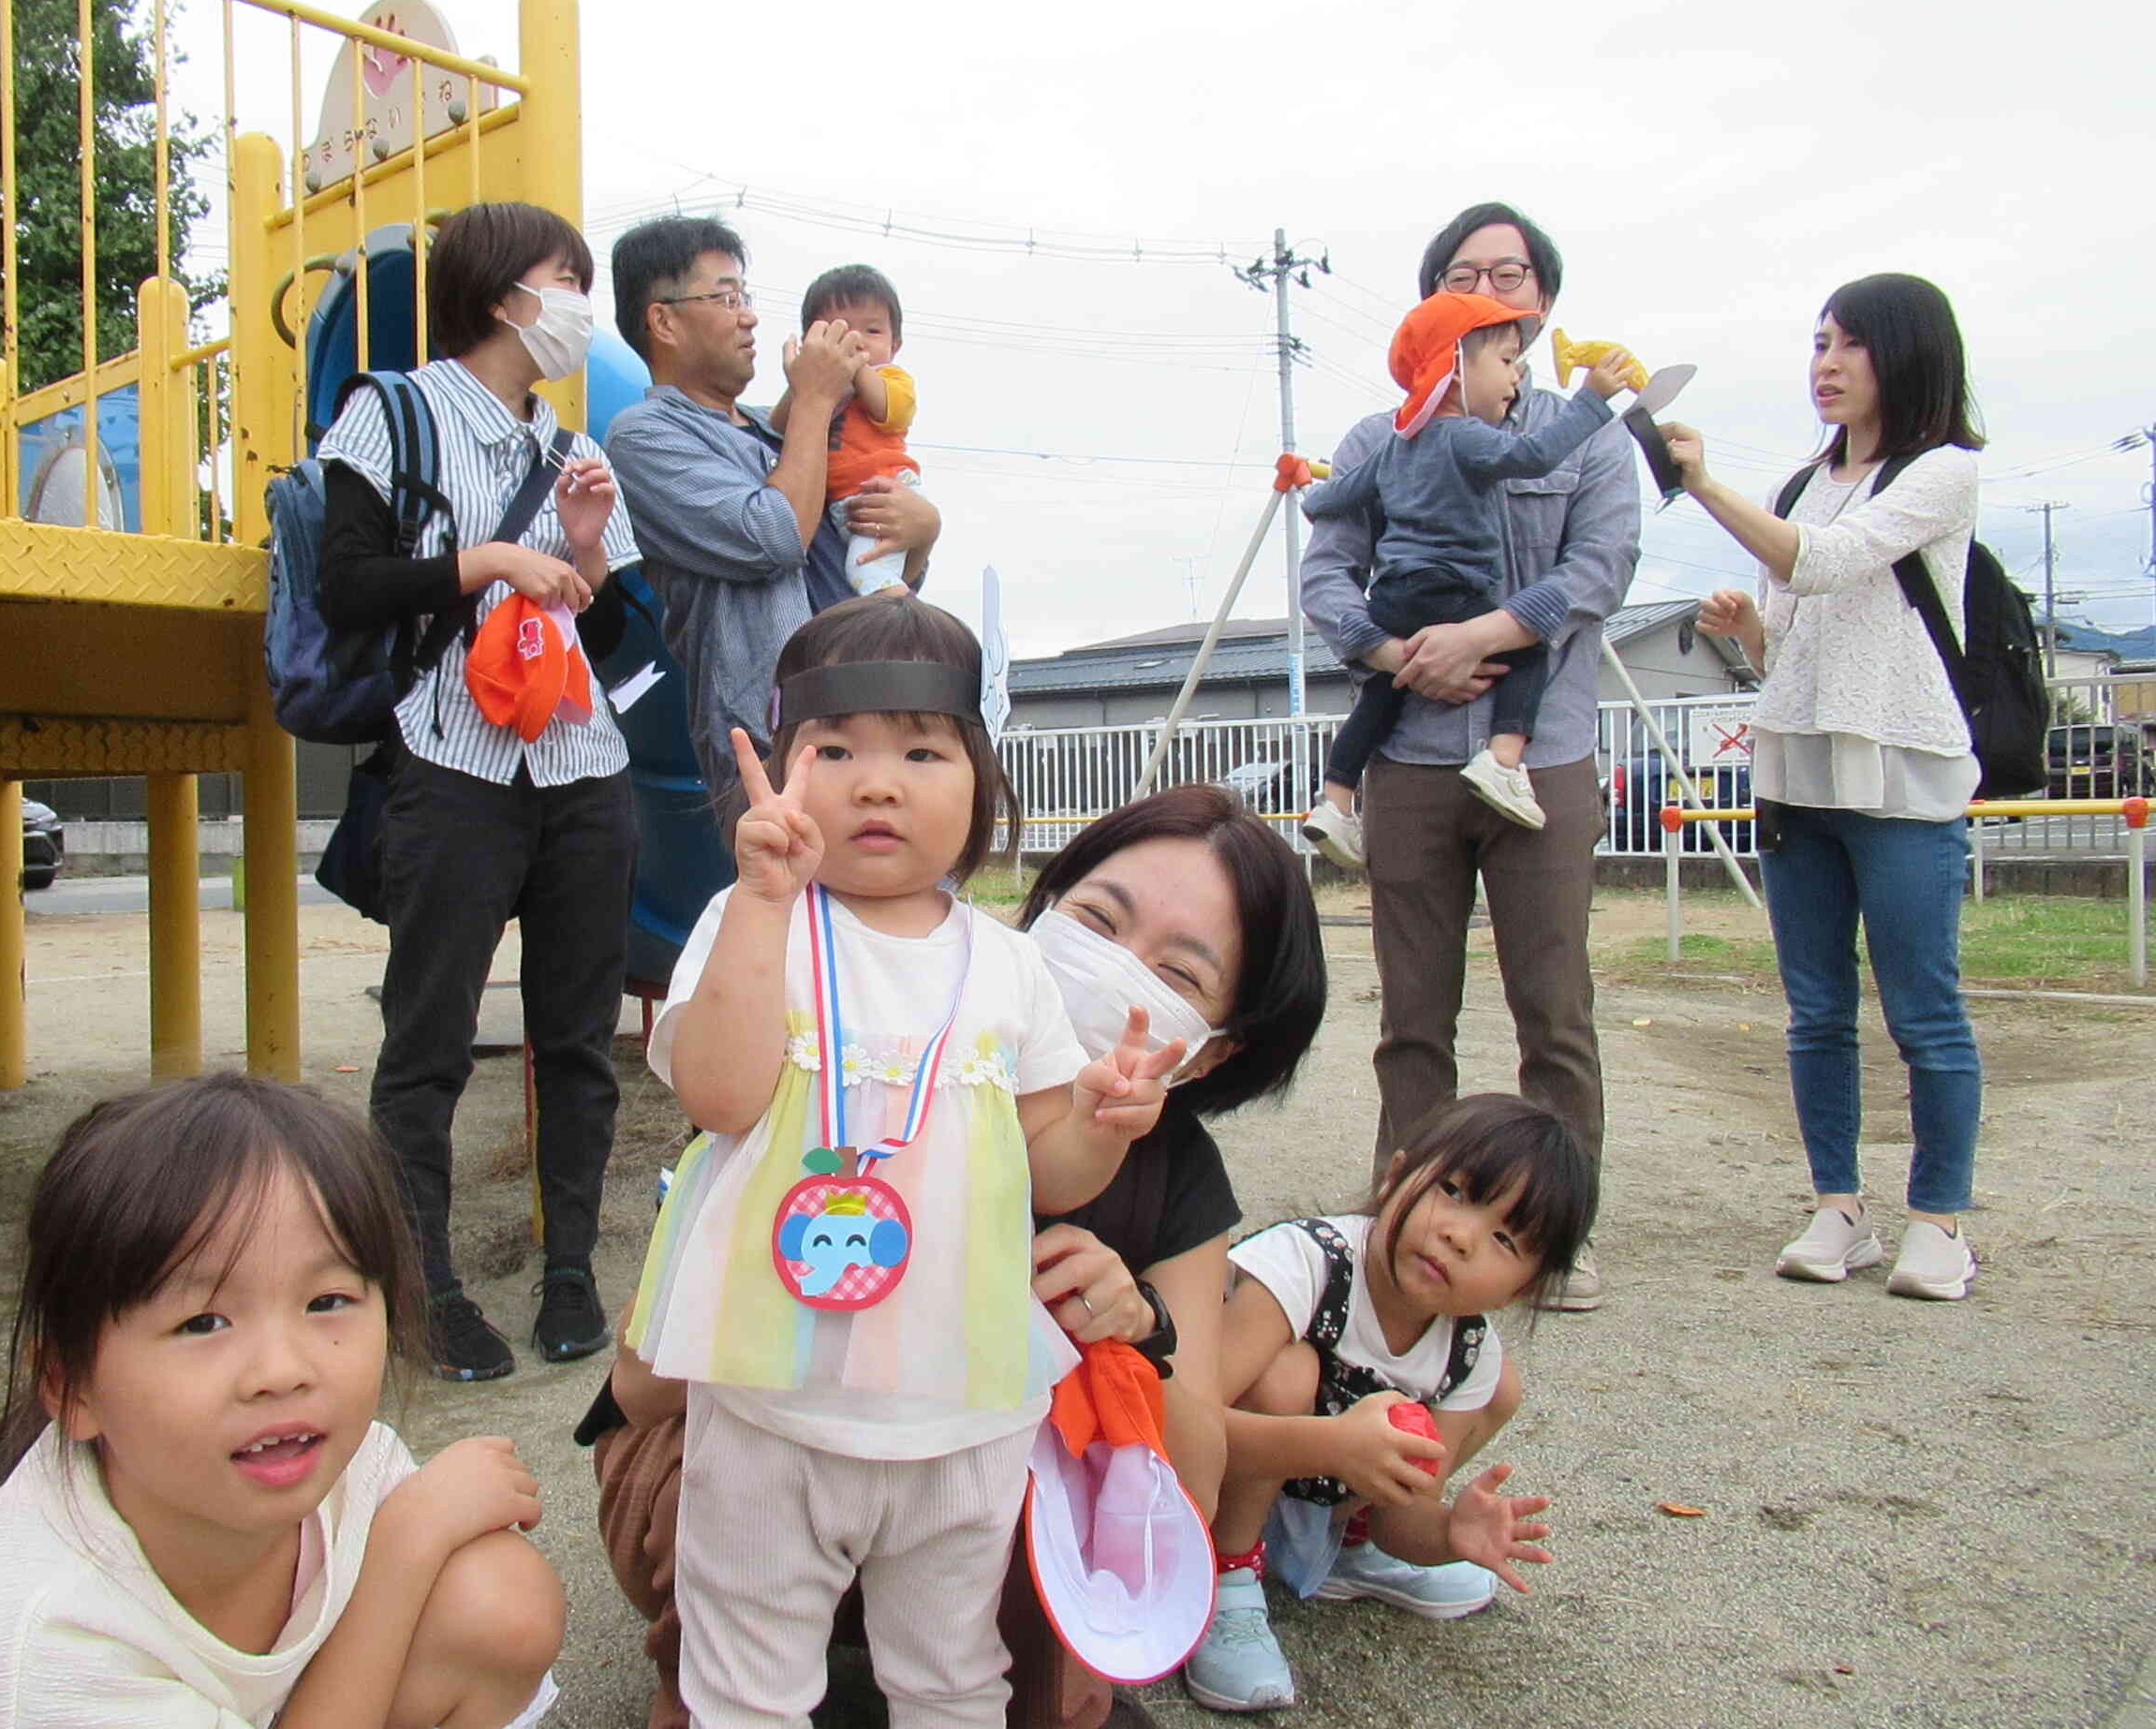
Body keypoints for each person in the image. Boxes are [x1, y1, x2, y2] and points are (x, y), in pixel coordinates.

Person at [580, 783, 1328, 1729]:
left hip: (953, 1522)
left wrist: (1134, 1330)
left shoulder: (1176, 1175)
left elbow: (1189, 1468)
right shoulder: (851, 1058)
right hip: (750, 1460)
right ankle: (704, 1674)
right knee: (739, 1501)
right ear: (1041, 908)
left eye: (1175, 975)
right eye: (1097, 920)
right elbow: (644, 1392)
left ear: (1212, 1053)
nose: (1112, 972)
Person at [623, 594, 1189, 1725]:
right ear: (773, 771)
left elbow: (1051, 1171)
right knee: (745, 1674)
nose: (878, 783)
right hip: (767, 1392)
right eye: (835, 751)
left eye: (922, 752)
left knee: (951, 1672)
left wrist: (1105, 1121)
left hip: (964, 1405)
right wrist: (763, 901)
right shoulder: (752, 923)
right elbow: (721, 1096)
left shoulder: (1009, 966)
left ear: (980, 782)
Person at [0, 1074, 564, 1729]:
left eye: (327, 1303)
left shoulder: (338, 1465)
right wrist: (407, 1543)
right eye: (203, 1321)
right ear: (72, 1385)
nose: (281, 1370)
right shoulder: (45, 1635)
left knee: (498, 1600)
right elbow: (395, 1569)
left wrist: (406, 1542)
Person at [1299, 201, 1641, 1309]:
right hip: (1411, 757)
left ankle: (1554, 1232)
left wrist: (1485, 636)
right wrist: (1395, 652)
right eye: (1464, 274)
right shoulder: (1379, 438)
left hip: (1542, 751)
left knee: (1555, 1004)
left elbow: (1601, 571)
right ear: (1434, 307)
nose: (1492, 292)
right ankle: (1404, 1211)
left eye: (1511, 275)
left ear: (1541, 304)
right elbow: (1325, 573)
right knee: (1412, 1013)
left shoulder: (1583, 434)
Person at [318, 200, 636, 1377]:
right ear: (505, 291)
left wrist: (589, 550)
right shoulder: (390, 412)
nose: (577, 310)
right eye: (567, 280)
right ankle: (426, 1283)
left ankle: (570, 1272)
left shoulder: (569, 447)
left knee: (579, 1041)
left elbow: (597, 627)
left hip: (581, 766)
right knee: (429, 1039)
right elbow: (347, 587)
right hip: (451, 762)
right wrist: (493, 556)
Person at [1669, 273, 1987, 1302]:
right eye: (1818, 344)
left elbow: (1828, 562)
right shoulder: (1802, 485)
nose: (1827, 365)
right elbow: (1788, 643)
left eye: (1850, 345)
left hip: (1899, 773)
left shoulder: (1941, 473)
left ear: (1908, 356)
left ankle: (1939, 1220)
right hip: (1798, 771)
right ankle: (1839, 1207)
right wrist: (1744, 630)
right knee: (1815, 1011)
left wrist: (1705, 487)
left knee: (1923, 1010)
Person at [1184, 1094, 1596, 1713]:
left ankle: (1346, 1547)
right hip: (1207, 1492)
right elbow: (1181, 1430)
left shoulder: (1467, 1351)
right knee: (1286, 1372)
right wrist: (1334, 1446)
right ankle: (1227, 1577)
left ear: (1526, 1289)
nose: (1461, 1235)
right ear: (1396, 1175)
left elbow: (1403, 1516)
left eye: (1505, 1238)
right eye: (1453, 1191)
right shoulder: (1307, 1263)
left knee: (1501, 1387)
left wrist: (1452, 1533)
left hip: (1315, 1492)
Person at [605, 217, 942, 832]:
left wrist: (922, 533)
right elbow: (775, 538)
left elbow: (876, 571)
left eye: (747, 298)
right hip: (769, 743)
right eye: (726, 298)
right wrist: (814, 397)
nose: (749, 317)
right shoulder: (646, 435)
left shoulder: (776, 433)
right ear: (664, 321)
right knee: (791, 919)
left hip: (865, 721)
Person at [1306, 293, 1635, 835]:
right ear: (1456, 369)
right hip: (1450, 589)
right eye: (1506, 362)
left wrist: (1308, 498)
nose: (1517, 374)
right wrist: (1593, 399)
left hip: (1392, 600)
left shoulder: (1393, 446)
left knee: (1380, 695)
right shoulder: (1466, 435)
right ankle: (1503, 759)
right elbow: (1534, 455)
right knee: (1527, 648)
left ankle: (1336, 800)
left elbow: (1341, 494)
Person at [768, 263, 921, 598]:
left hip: (883, 493)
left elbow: (890, 410)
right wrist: (804, 381)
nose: (856, 342)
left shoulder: (891, 378)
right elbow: (777, 426)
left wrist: (854, 367)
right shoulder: (819, 389)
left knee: (867, 572)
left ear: (895, 344)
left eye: (872, 331)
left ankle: (913, 628)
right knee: (855, 578)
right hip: (846, 505)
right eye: (840, 332)